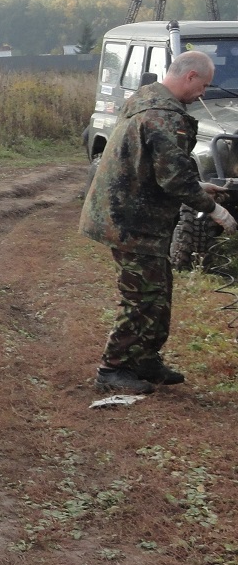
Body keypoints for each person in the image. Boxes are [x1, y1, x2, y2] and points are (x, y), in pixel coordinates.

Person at [80, 50, 237, 394]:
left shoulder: (147, 99)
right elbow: (174, 178)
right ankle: (113, 369)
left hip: (134, 215)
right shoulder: (164, 115)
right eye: (204, 85)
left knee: (160, 291)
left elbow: (156, 164)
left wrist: (197, 186)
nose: (203, 93)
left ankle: (145, 360)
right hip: (130, 220)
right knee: (143, 297)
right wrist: (214, 209)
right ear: (190, 76)